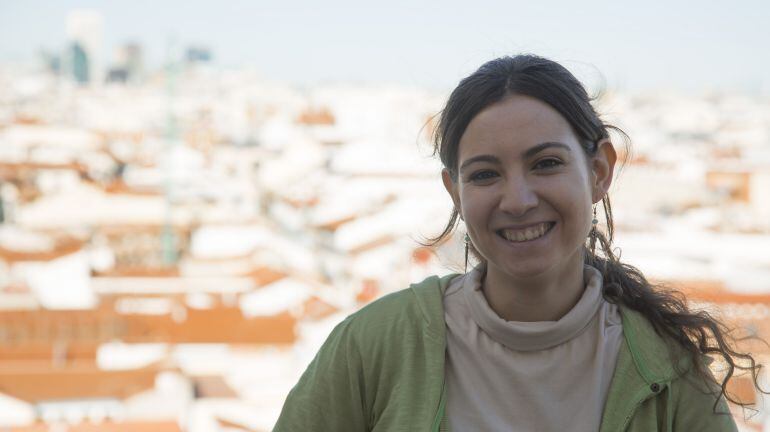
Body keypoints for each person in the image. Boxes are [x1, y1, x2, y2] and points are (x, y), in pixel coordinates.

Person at [273, 55, 763, 431]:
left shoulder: (667, 367)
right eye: (486, 174)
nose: (518, 199)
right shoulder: (374, 345)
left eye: (546, 164)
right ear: (455, 192)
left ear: (599, 171)